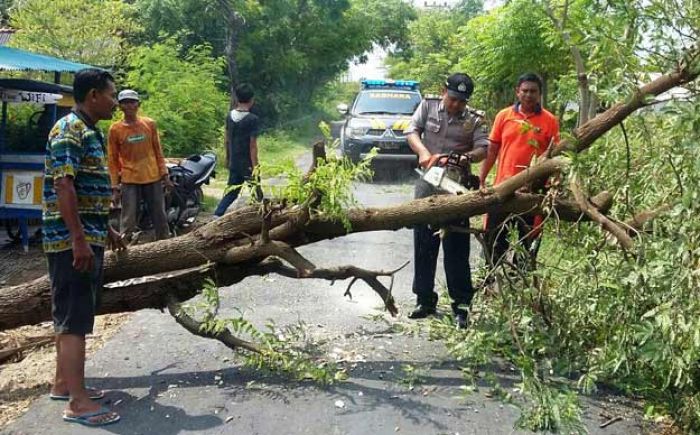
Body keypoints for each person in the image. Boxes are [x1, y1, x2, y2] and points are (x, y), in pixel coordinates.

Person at [43, 68, 125, 426]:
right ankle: (77, 404)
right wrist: (78, 239)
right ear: (93, 95)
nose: (115, 102)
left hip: (85, 235)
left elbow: (85, 187)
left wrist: (103, 228)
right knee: (75, 318)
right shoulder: (68, 130)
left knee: (70, 313)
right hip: (69, 241)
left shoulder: (89, 130)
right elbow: (64, 187)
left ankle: (64, 384)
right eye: (111, 94)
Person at [404, 72, 489, 329]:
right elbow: (412, 131)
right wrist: (422, 152)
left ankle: (461, 306)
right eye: (452, 99)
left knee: (456, 250)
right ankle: (424, 299)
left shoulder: (474, 120)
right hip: (427, 185)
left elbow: (484, 148)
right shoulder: (428, 105)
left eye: (461, 101)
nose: (456, 105)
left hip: (455, 189)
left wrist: (467, 158)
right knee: (424, 244)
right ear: (444, 92)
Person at [479, 72, 560, 269]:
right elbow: (492, 150)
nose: (529, 95)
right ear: (517, 92)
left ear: (540, 94)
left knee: (527, 247)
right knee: (494, 243)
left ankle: (523, 293)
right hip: (502, 190)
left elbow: (556, 158)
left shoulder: (549, 121)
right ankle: (489, 285)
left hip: (533, 193)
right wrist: (481, 179)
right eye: (525, 91)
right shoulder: (504, 116)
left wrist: (555, 186)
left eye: (533, 91)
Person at [108, 89, 172, 242]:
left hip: (152, 176)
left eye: (132, 102)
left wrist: (165, 176)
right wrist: (115, 187)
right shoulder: (115, 129)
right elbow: (112, 160)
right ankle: (123, 246)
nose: (129, 106)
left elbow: (158, 151)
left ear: (138, 104)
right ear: (119, 106)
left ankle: (166, 244)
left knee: (159, 215)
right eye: (125, 103)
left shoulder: (149, 124)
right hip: (130, 179)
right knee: (128, 218)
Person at [214, 83, 262, 217]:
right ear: (252, 100)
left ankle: (217, 215)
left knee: (231, 193)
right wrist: (255, 166)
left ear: (236, 99)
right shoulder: (253, 119)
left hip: (234, 161)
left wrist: (228, 159)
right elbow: (252, 145)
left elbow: (227, 140)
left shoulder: (229, 116)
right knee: (256, 192)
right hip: (247, 163)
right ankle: (262, 218)